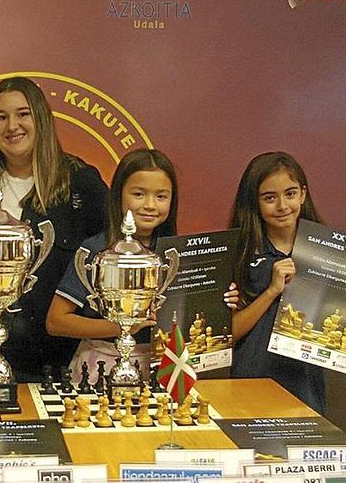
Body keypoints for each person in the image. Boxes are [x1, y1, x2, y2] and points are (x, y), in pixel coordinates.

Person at [0, 76, 109, 382]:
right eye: (1, 117)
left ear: (41, 119)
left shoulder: (80, 181)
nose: (12, 126)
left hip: (57, 361)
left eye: (23, 114)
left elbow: (110, 254)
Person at [46, 149, 238, 383]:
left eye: (161, 196)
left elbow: (192, 320)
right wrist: (121, 327)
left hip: (165, 368)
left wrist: (219, 300)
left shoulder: (178, 254)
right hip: (100, 367)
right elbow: (56, 321)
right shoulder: (95, 250)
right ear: (118, 195)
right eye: (138, 194)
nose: (150, 205)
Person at [228, 151, 346, 414]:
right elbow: (230, 332)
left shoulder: (331, 253)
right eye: (269, 198)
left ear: (303, 194)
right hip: (249, 382)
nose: (283, 205)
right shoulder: (239, 252)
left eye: (290, 193)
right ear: (255, 202)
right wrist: (272, 291)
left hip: (304, 385)